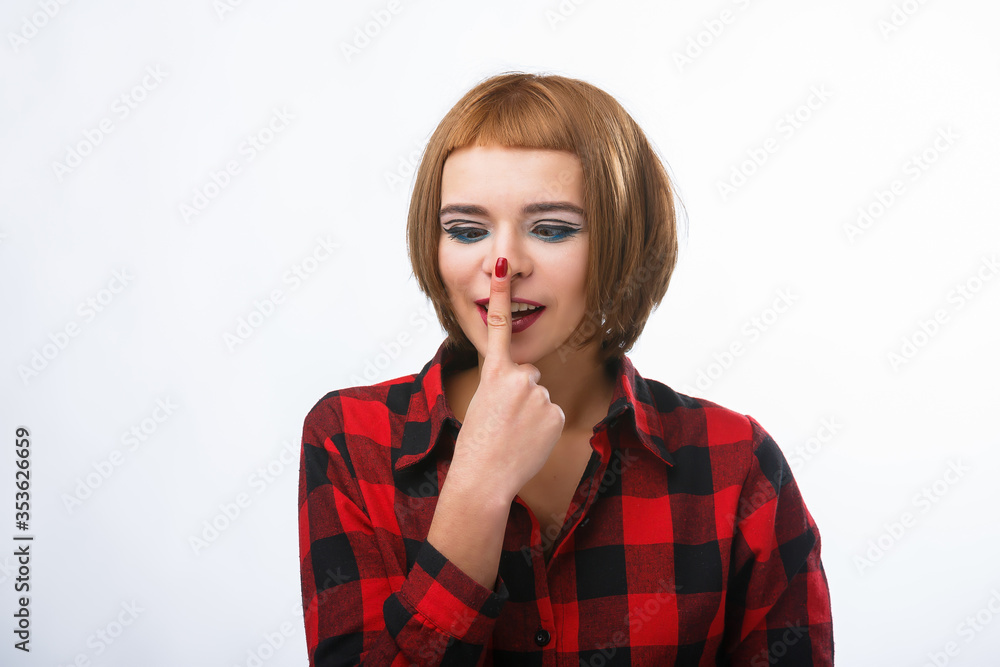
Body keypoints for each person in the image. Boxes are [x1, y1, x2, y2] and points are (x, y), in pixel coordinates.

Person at [297, 71, 834, 666]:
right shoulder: (351, 438)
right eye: (466, 230)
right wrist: (476, 489)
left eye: (552, 229)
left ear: (622, 241)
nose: (503, 264)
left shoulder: (737, 462)